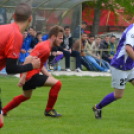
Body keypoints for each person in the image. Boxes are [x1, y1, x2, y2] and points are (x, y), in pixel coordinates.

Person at [3, 25, 64, 118]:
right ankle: (49, 110)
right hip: (31, 75)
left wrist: (49, 76)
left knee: (26, 96)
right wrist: (23, 77)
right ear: (53, 37)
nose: (62, 40)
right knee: (58, 84)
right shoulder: (45, 47)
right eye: (60, 38)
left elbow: (40, 65)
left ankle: (3, 111)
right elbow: (28, 58)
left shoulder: (46, 46)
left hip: (29, 75)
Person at [0, 3, 40, 128]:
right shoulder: (16, 35)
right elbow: (11, 69)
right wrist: (31, 66)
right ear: (30, 19)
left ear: (13, 16)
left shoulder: (3, 28)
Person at [92, 24, 134, 119]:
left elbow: (120, 44)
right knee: (118, 95)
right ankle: (97, 107)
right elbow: (128, 48)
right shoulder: (132, 31)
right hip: (120, 66)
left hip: (130, 66)